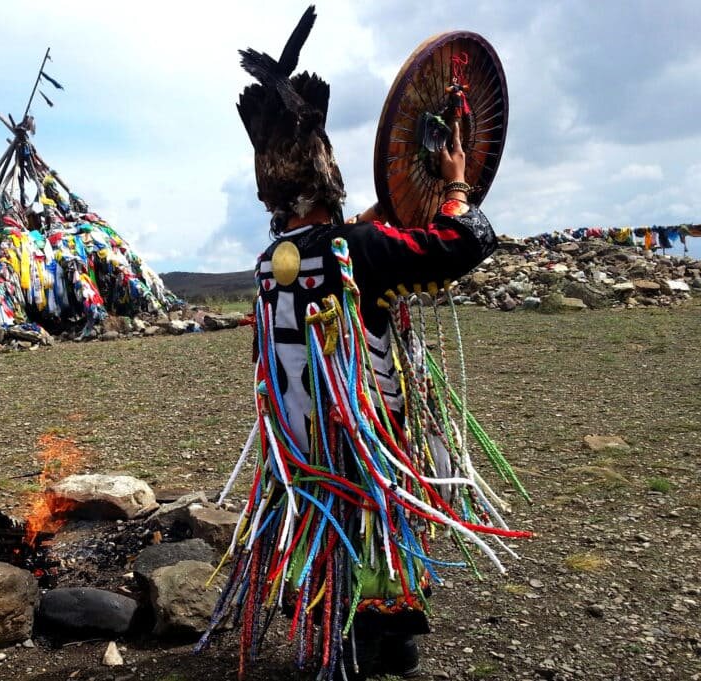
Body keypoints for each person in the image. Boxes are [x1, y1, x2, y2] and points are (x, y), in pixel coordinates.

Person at [196, 7, 528, 681]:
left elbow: (351, 244)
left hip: (302, 455)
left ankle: (368, 638)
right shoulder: (358, 250)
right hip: (365, 446)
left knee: (337, 541)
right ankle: (368, 643)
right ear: (328, 177)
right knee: (376, 527)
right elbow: (467, 242)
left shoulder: (274, 262)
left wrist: (374, 218)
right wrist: (457, 181)